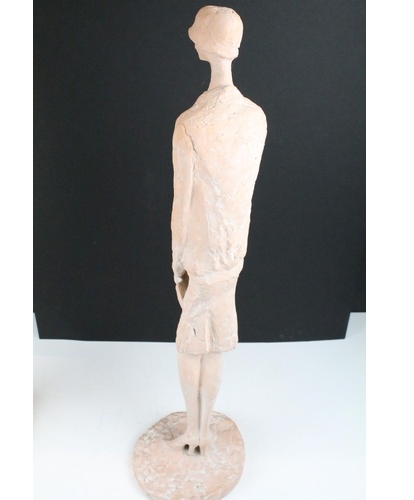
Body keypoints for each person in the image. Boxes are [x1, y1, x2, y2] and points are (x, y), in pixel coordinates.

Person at [168, 6, 267, 456]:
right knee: (215, 344)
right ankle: (203, 428)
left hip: (201, 257)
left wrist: (177, 264)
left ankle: (196, 430)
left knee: (191, 346)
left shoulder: (190, 124)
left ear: (204, 45)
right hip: (232, 255)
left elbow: (182, 205)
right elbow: (243, 190)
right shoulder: (255, 117)